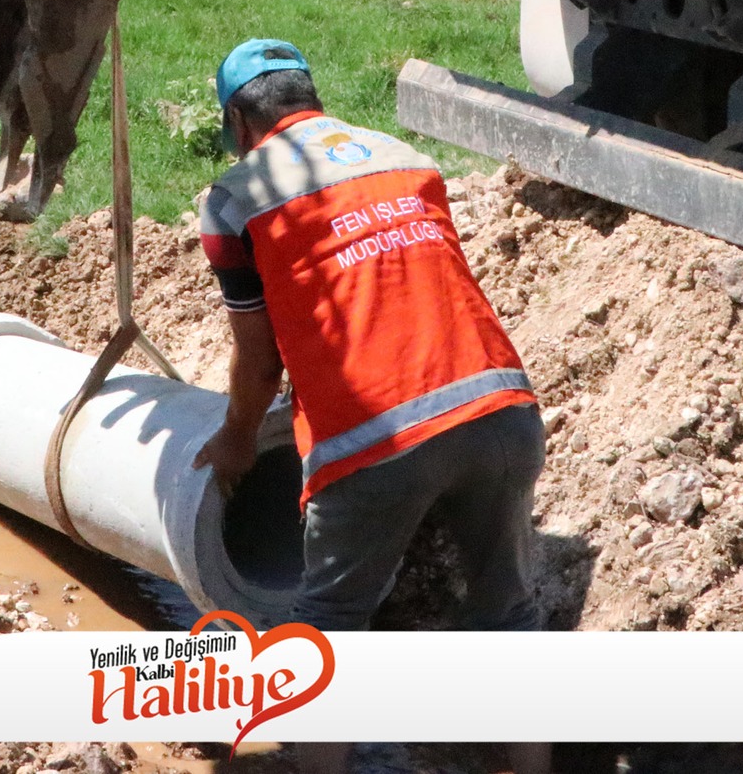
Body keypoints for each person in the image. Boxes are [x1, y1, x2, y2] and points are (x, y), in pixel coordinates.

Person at [191, 39, 550, 774]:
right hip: (503, 409)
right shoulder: (400, 156)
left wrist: (235, 438)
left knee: (326, 630)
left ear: (238, 116)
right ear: (308, 96)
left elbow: (259, 362)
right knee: (507, 614)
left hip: (379, 433)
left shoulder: (234, 200)